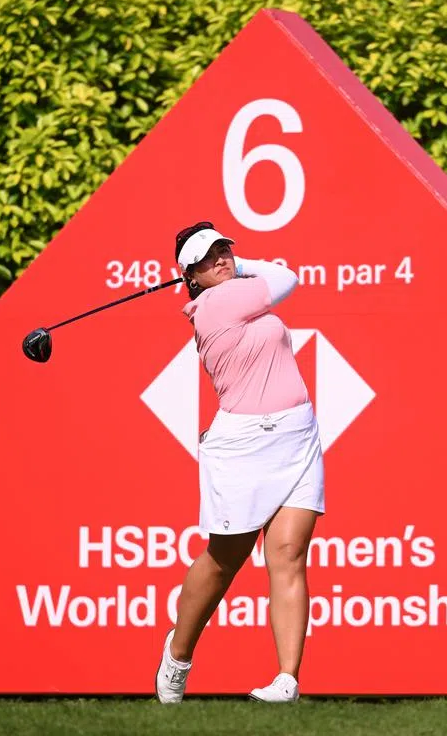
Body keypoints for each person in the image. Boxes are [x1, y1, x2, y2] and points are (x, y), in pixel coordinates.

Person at [155, 221, 323, 704]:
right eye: (207, 258)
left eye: (224, 249)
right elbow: (288, 278)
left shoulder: (235, 293)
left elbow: (277, 279)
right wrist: (243, 269)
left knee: (288, 554)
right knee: (225, 560)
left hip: (296, 435)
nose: (221, 258)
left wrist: (233, 267)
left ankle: (287, 681)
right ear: (191, 277)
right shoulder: (215, 304)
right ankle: (178, 655)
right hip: (243, 446)